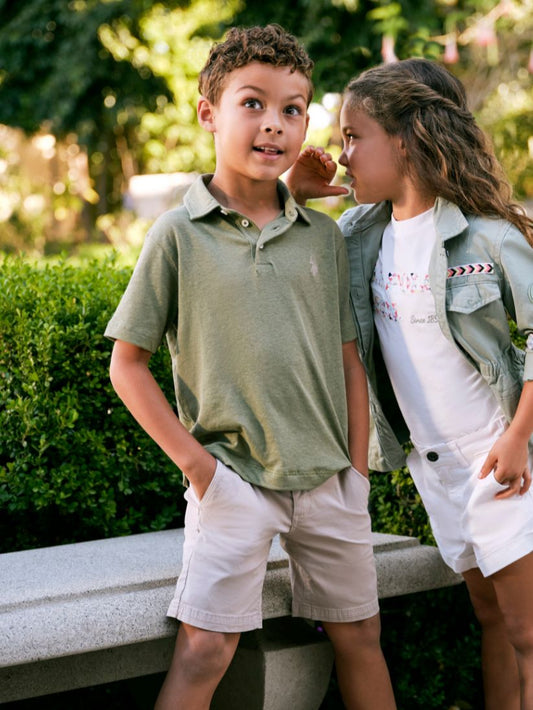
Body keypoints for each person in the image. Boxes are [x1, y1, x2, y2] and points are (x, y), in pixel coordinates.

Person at [105, 24, 396, 710]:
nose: (274, 124)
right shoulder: (177, 235)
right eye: (253, 103)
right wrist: (201, 471)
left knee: (361, 637)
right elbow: (127, 365)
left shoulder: (321, 236)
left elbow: (347, 357)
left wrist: (355, 472)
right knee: (205, 650)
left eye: (292, 109)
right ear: (208, 113)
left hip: (329, 480)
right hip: (231, 483)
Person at [286, 57, 533, 709]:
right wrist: (294, 195)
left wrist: (516, 438)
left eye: (352, 137)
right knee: (491, 618)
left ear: (405, 140)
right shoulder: (357, 236)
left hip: (504, 459)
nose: (342, 156)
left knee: (528, 632)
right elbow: (271, 266)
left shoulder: (485, 235)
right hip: (436, 468)